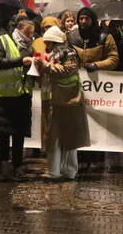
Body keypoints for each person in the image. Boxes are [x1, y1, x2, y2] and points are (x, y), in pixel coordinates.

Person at [38, 26, 89, 181]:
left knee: (69, 137)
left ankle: (67, 171)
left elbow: (67, 71)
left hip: (69, 101)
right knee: (53, 137)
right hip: (54, 101)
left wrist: (45, 65)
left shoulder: (69, 53)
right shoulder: (54, 54)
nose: (46, 46)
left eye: (49, 43)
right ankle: (55, 170)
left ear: (55, 42)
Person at [0, 17, 36, 181]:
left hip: (22, 95)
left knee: (19, 134)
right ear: (21, 29)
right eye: (29, 33)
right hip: (4, 96)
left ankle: (17, 166)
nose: (31, 36)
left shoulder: (30, 46)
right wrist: (20, 61)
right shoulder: (2, 41)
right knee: (3, 135)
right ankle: (4, 167)